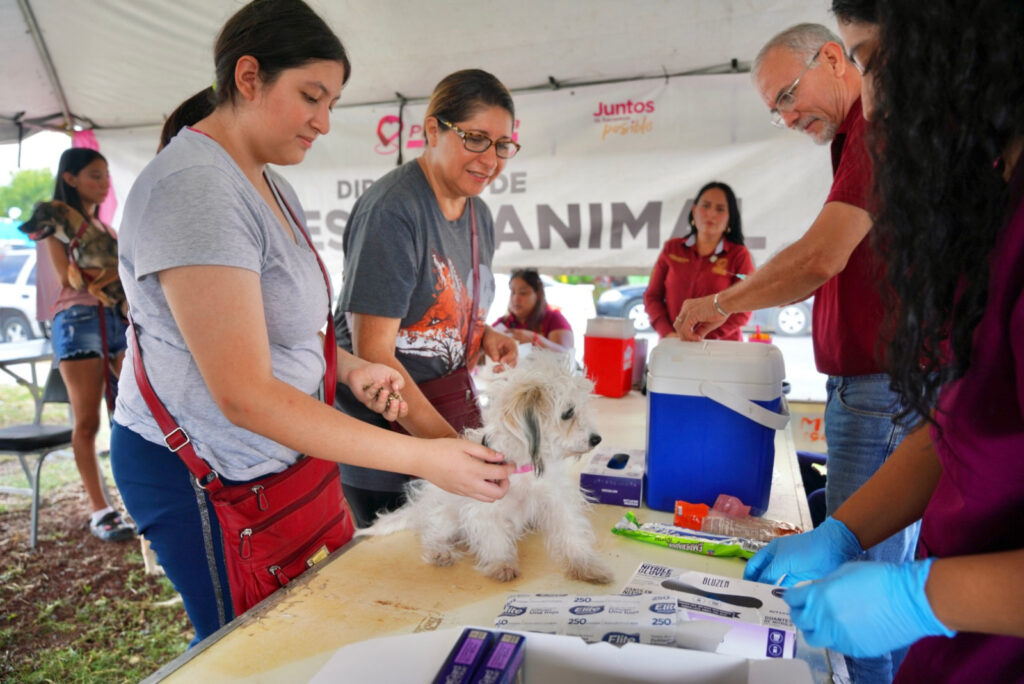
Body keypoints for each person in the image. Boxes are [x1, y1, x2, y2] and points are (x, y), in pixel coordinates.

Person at [111, 0, 514, 644]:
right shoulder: (195, 188)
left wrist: (350, 369)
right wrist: (423, 455)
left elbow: (290, 333)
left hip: (279, 466)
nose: (325, 122)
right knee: (243, 649)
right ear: (249, 78)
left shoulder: (268, 181)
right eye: (311, 96)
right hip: (207, 474)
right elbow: (243, 394)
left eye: (332, 102)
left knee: (296, 636)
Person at [745, 1, 1024, 681]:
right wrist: (841, 532)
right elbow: (963, 423)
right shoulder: (992, 206)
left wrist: (917, 597)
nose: (874, 99)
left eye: (873, 60)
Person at [674, 24, 919, 683]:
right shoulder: (853, 142)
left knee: (862, 599)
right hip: (874, 389)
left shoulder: (875, 129)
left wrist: (722, 302)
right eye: (774, 109)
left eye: (787, 95)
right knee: (872, 583)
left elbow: (819, 257)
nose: (785, 117)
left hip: (880, 392)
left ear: (837, 59)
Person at [333, 69, 520, 528]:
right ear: (433, 129)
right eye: (476, 138)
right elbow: (373, 353)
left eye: (502, 145)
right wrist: (448, 450)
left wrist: (485, 334)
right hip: (387, 450)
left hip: (446, 431)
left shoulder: (480, 213)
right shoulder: (394, 211)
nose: (490, 158)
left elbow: (433, 310)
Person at [42, 148, 134, 543]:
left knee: (132, 413)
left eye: (107, 176)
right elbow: (67, 277)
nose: (104, 183)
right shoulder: (55, 225)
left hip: (116, 319)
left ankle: (135, 499)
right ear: (71, 178)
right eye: (95, 175)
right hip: (79, 322)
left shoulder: (108, 230)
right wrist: (103, 272)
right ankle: (101, 510)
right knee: (88, 421)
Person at [643, 181, 753, 340]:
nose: (711, 213)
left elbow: (744, 307)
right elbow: (652, 297)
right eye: (706, 206)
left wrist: (701, 336)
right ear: (694, 210)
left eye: (720, 209)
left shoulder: (739, 255)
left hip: (720, 349)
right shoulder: (672, 248)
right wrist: (668, 333)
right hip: (674, 344)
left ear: (730, 218)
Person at [492, 269, 574, 354]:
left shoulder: (553, 319)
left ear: (538, 295)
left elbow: (566, 355)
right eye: (513, 292)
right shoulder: (504, 323)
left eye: (523, 293)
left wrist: (535, 340)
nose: (516, 298)